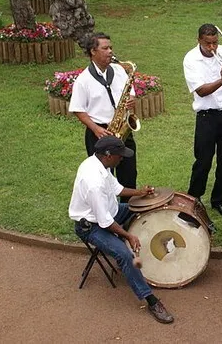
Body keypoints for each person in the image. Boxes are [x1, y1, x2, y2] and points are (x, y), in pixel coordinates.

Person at [69, 136, 174, 324]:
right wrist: (128, 236)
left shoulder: (100, 164)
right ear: (108, 155)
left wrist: (140, 194)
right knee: (124, 255)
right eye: (120, 155)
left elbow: (117, 190)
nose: (122, 159)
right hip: (92, 227)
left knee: (147, 206)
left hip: (111, 213)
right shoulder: (93, 181)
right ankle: (151, 301)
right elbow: (105, 223)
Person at [183, 23, 222, 218]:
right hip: (206, 116)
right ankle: (194, 197)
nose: (212, 47)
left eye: (215, 43)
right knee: (203, 160)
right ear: (199, 40)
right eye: (208, 43)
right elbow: (201, 91)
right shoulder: (191, 59)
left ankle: (218, 200)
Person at [69, 32, 137, 203]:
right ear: (93, 51)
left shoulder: (120, 71)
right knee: (102, 177)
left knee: (129, 173)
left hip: (122, 128)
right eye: (105, 48)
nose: (110, 52)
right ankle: (105, 211)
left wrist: (131, 101)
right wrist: (96, 129)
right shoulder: (83, 80)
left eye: (111, 48)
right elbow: (78, 109)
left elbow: (131, 93)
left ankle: (128, 211)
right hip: (99, 132)